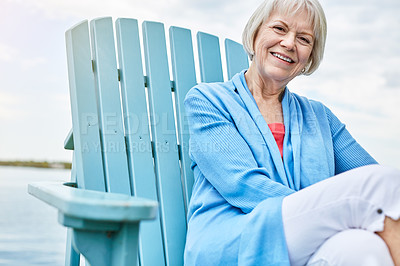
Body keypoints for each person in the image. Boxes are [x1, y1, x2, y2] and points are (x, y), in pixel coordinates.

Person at [183, 0, 400, 265]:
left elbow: (376, 182)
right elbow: (242, 185)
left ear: (310, 56)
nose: (288, 43)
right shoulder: (208, 100)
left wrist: (321, 216)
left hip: (306, 241)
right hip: (234, 240)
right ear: (255, 34)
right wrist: (327, 213)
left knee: (363, 248)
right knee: (383, 183)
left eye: (304, 39)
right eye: (279, 28)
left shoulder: (321, 117)